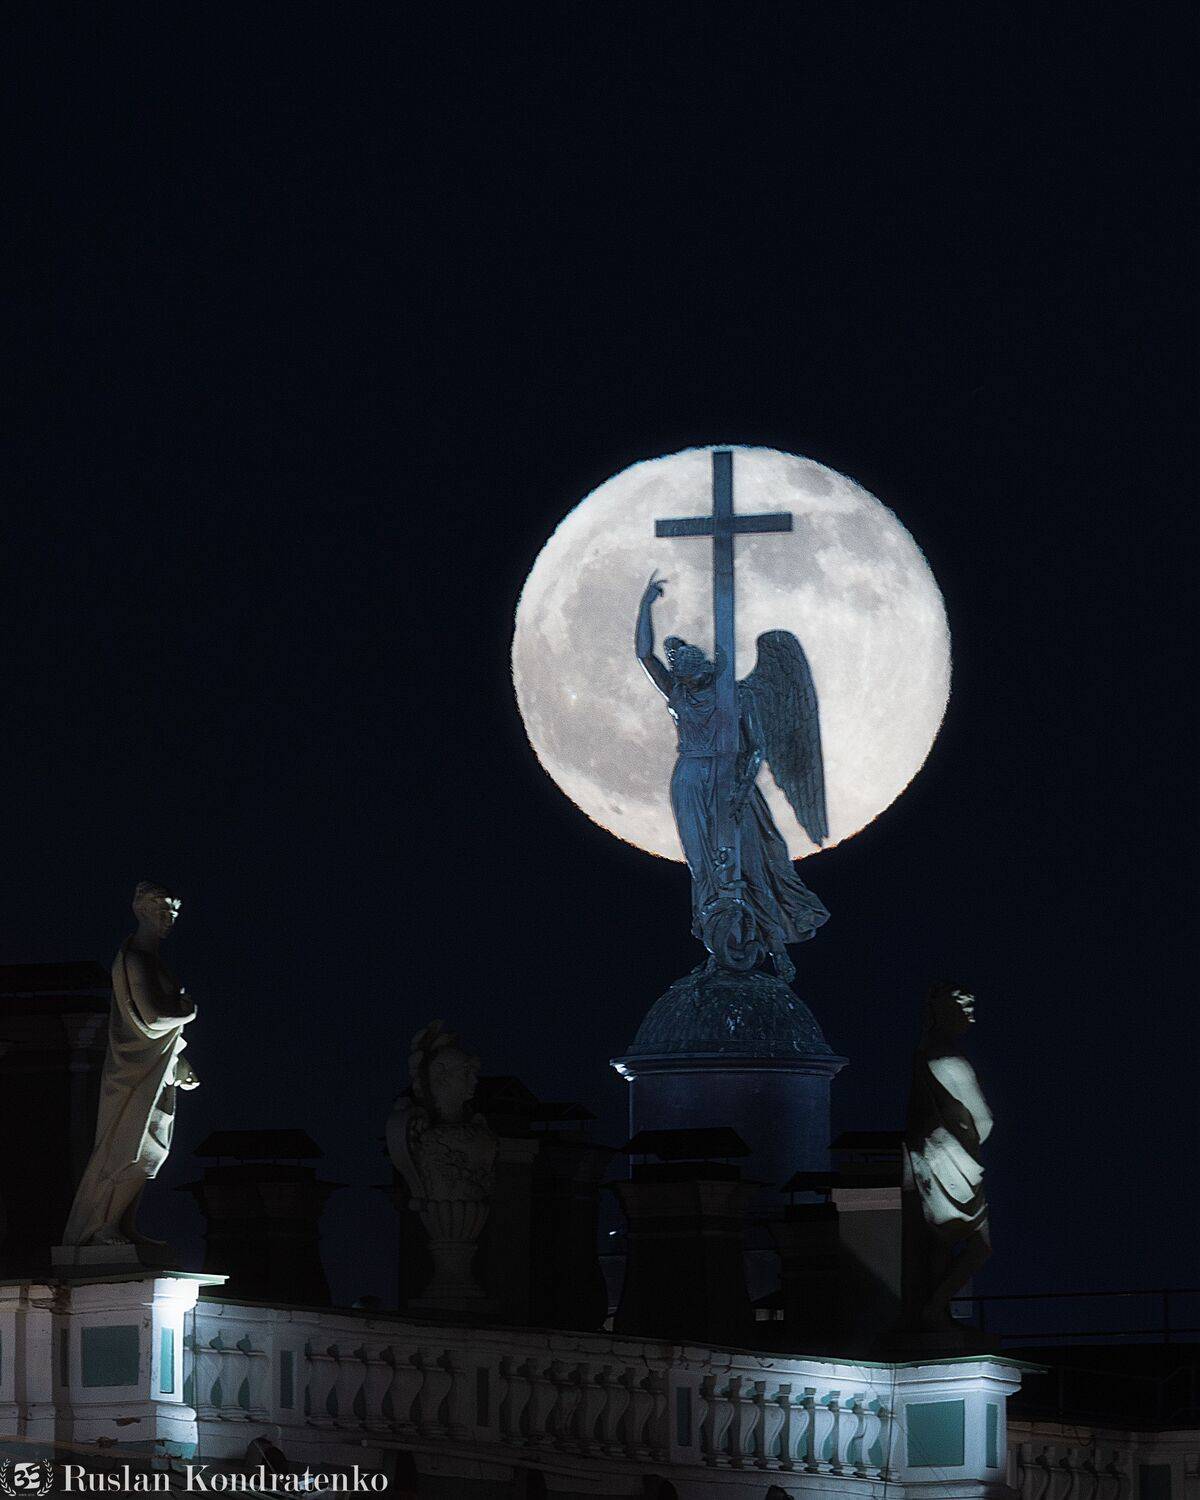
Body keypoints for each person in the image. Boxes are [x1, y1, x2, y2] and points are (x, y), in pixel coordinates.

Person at [635, 574, 827, 978]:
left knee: (748, 862)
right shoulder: (678, 696)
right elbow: (643, 656)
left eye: (693, 663)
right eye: (681, 668)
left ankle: (773, 946)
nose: (688, 670)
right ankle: (718, 938)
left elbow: (756, 746)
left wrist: (742, 788)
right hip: (689, 779)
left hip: (730, 781)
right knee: (703, 865)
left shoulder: (735, 695)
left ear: (705, 664)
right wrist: (646, 606)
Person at [62, 882, 200, 1249]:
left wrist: (179, 1061)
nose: (168, 918)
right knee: (129, 1147)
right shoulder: (135, 959)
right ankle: (101, 1226)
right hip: (132, 1073)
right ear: (142, 911)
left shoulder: (152, 961)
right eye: (162, 910)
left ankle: (123, 1224)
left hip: (154, 1069)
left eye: (173, 912)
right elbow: (153, 1019)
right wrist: (188, 1010)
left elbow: (157, 1031)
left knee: (149, 1151)